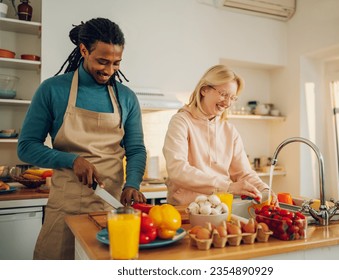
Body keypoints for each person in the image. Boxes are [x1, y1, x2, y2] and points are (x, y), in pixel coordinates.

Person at [17, 18, 147, 259]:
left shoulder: (127, 98)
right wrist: (71, 160)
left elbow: (136, 149)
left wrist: (133, 184)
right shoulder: (53, 89)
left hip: (112, 209)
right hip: (66, 208)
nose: (109, 70)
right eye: (102, 61)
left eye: (116, 63)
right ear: (84, 50)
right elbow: (26, 147)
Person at [163, 64, 277, 206]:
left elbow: (244, 173)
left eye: (233, 98)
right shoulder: (181, 121)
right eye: (223, 94)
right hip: (186, 208)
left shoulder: (229, 131)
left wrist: (264, 189)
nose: (228, 103)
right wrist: (227, 186)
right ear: (204, 90)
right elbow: (178, 170)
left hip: (220, 208)